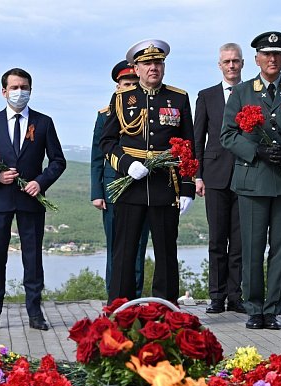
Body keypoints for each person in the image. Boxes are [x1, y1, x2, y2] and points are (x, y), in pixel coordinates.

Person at [221, 31, 281, 330]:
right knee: (252, 248)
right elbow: (228, 135)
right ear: (257, 59)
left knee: (280, 248)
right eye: (266, 54)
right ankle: (254, 309)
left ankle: (272, 310)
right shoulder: (242, 92)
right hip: (253, 180)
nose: (272, 59)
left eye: (277, 54)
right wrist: (257, 151)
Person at [100, 39, 196, 304]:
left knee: (166, 253)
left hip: (165, 186)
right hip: (130, 184)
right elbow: (107, 142)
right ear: (136, 68)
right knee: (124, 253)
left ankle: (166, 310)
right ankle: (120, 309)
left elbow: (188, 146)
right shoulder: (122, 99)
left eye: (158, 62)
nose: (153, 67)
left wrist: (187, 187)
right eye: (147, 63)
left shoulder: (179, 98)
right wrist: (126, 164)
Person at [0, 68, 66, 331]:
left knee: (33, 259)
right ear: (4, 92)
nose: (19, 92)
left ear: (31, 91)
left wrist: (40, 182)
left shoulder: (44, 122)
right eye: (14, 87)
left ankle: (35, 313)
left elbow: (58, 161)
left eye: (24, 87)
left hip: (31, 200)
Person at [194, 43, 246, 315]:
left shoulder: (252, 93)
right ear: (220, 65)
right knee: (217, 240)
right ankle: (216, 296)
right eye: (227, 61)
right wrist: (197, 175)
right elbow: (197, 137)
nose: (231, 65)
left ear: (243, 63)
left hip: (246, 175)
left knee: (239, 243)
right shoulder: (206, 96)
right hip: (214, 176)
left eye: (235, 61)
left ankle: (235, 297)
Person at [91, 61, 149, 298]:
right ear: (118, 87)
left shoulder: (148, 112)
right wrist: (97, 193)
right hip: (113, 189)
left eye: (134, 84)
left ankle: (135, 298)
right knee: (115, 246)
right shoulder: (105, 115)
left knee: (139, 246)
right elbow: (98, 156)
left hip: (142, 187)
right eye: (126, 84)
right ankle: (114, 299)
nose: (130, 88)